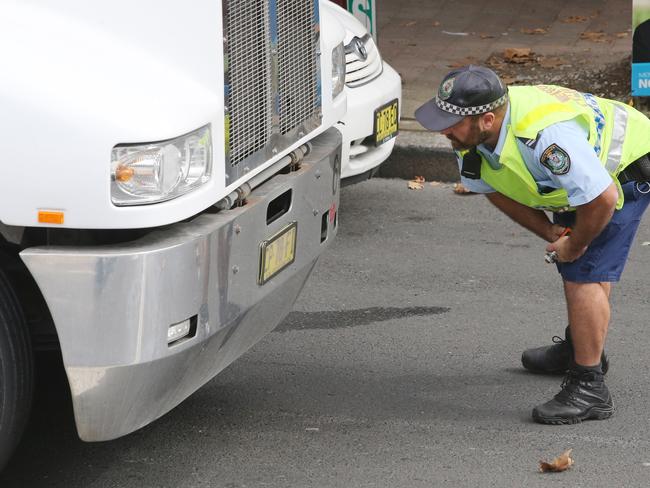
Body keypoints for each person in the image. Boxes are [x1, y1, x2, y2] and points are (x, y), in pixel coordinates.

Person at [415, 65, 650, 425]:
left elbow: (601, 197)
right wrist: (548, 232)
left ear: (487, 120)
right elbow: (492, 185)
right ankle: (583, 349)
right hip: (587, 180)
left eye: (450, 122)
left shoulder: (544, 137)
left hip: (624, 171)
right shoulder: (470, 137)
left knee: (582, 271)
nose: (442, 129)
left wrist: (574, 245)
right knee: (578, 265)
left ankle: (589, 388)